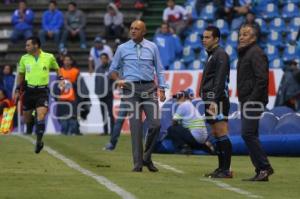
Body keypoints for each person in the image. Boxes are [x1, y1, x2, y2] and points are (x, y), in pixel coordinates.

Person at [109, 20, 167, 172]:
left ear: (144, 32)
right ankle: (138, 164)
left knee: (156, 124)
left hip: (149, 88)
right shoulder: (122, 48)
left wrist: (162, 88)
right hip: (130, 89)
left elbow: (159, 69)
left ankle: (146, 157)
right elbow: (112, 70)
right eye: (132, 28)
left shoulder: (152, 47)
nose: (133, 31)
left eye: (137, 29)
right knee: (136, 126)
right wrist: (118, 79)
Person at [237, 24, 274, 181]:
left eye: (245, 34)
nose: (241, 37)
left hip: (253, 101)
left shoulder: (256, 53)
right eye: (240, 34)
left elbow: (262, 79)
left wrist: (252, 100)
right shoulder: (247, 53)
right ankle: (261, 171)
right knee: (251, 134)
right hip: (248, 99)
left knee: (247, 133)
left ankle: (265, 167)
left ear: (254, 38)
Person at [14, 36, 61, 153]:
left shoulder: (49, 57)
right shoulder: (24, 58)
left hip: (42, 91)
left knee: (41, 116)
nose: (26, 47)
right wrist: (17, 89)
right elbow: (21, 74)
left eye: (28, 45)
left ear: (36, 45)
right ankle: (32, 121)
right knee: (27, 118)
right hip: (29, 91)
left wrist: (61, 79)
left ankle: (39, 142)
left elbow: (57, 68)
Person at [200, 26, 232, 178]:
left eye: (207, 37)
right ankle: (221, 168)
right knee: (215, 133)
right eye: (203, 37)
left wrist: (213, 100)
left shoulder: (221, 55)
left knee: (221, 132)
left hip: (217, 99)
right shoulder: (212, 54)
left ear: (216, 39)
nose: (203, 40)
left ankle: (226, 170)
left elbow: (220, 80)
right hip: (211, 99)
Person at [167, 90, 213, 154]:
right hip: (203, 138)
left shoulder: (183, 105)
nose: (177, 99)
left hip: (195, 136)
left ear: (184, 97)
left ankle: (184, 147)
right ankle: (205, 147)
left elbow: (174, 122)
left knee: (171, 129)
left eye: (179, 97)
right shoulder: (191, 105)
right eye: (177, 97)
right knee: (183, 128)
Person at [55, 55, 80, 135]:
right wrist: (57, 96)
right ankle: (64, 133)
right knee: (63, 118)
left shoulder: (76, 71)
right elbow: (56, 85)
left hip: (72, 99)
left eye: (68, 60)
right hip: (62, 99)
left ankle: (73, 133)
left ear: (71, 62)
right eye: (65, 60)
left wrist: (78, 97)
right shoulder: (60, 71)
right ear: (63, 61)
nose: (67, 62)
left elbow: (80, 86)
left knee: (73, 117)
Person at [95, 53, 115, 136]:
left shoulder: (111, 69)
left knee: (110, 113)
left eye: (104, 58)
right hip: (101, 95)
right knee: (103, 114)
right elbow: (96, 81)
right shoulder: (98, 69)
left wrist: (111, 89)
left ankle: (113, 131)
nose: (103, 60)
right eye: (101, 58)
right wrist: (96, 91)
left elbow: (114, 80)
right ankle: (105, 131)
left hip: (109, 94)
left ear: (107, 59)